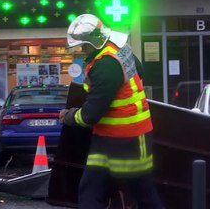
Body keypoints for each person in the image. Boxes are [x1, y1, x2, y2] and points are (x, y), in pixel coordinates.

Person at [59, 14, 163, 209]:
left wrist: (69, 116)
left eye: (83, 45)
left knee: (142, 193)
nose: (81, 50)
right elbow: (139, 73)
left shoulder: (105, 65)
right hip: (113, 137)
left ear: (92, 42)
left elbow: (90, 115)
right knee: (91, 191)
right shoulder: (118, 49)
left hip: (127, 138)